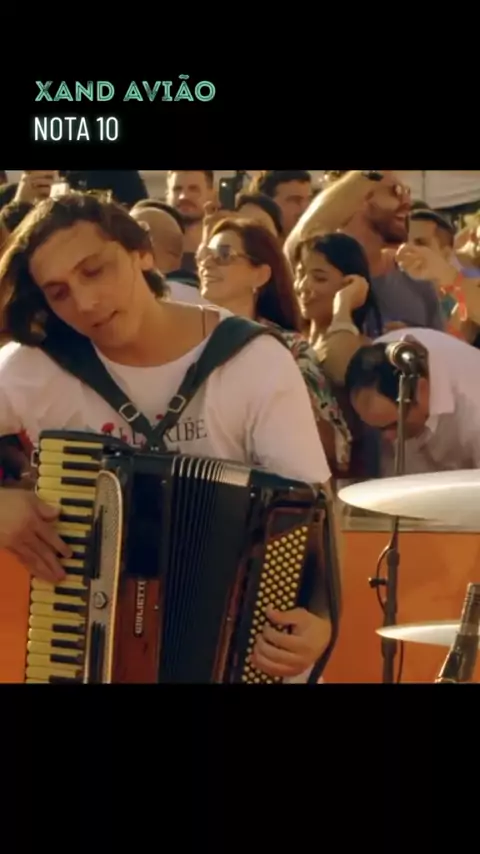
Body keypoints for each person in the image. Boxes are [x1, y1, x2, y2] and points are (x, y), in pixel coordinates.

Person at [0, 191, 338, 682]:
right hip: (93, 652)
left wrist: (321, 618)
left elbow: (313, 509)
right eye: (59, 293)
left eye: (94, 270)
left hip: (244, 654)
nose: (85, 302)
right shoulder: (36, 369)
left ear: (142, 253)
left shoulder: (251, 360)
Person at [198, 216, 352, 472]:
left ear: (260, 275)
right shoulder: (185, 344)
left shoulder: (289, 348)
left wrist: (283, 386)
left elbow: (337, 449)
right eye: (204, 254)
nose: (207, 263)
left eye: (223, 254)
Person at [344, 326, 480, 475]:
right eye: (375, 428)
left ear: (422, 390)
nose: (388, 437)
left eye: (395, 425)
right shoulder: (379, 358)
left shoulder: (473, 410)